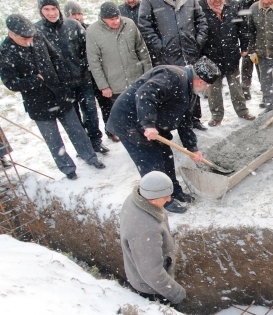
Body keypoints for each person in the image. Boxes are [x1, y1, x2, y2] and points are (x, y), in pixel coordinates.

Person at [106, 58, 220, 214]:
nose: (206, 89)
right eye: (207, 86)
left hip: (154, 126)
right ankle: (162, 199)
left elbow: (185, 120)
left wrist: (192, 147)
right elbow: (145, 94)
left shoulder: (189, 91)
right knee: (152, 162)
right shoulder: (172, 76)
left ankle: (174, 190)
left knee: (166, 156)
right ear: (200, 81)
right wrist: (148, 124)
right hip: (129, 123)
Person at [0, 14, 105, 180]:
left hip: (60, 94)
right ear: (11, 34)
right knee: (53, 139)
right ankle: (67, 168)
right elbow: (11, 83)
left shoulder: (38, 36)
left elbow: (55, 57)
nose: (29, 40)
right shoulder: (5, 52)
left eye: (30, 36)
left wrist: (61, 79)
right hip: (37, 103)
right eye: (24, 38)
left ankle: (90, 156)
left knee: (76, 130)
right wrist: (36, 79)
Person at [35, 0, 110, 154]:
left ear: (58, 9)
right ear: (41, 11)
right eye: (46, 9)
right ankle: (84, 147)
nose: (51, 13)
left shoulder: (73, 25)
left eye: (53, 8)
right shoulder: (37, 30)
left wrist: (82, 66)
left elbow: (87, 49)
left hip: (83, 79)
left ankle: (96, 141)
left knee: (90, 112)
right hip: (61, 85)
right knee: (73, 119)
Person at [139, 0, 209, 131]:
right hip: (168, 54)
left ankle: (195, 118)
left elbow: (201, 20)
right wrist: (160, 46)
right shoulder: (150, 2)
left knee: (193, 84)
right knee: (173, 89)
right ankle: (174, 122)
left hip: (189, 50)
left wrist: (198, 41)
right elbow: (145, 25)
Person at [120, 171, 186, 305]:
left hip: (144, 275)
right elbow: (152, 274)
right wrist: (177, 294)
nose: (169, 200)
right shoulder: (146, 230)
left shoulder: (138, 198)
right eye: (165, 196)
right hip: (152, 289)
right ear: (152, 198)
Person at [86, 3, 152, 128]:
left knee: (144, 113)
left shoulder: (129, 24)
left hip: (137, 79)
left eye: (117, 17)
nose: (116, 21)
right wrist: (104, 86)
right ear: (103, 18)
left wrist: (148, 74)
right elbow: (94, 62)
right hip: (115, 85)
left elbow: (142, 51)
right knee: (127, 118)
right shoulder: (93, 32)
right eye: (111, 19)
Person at [200, 0, 255, 127]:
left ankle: (242, 111)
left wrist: (245, 46)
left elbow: (242, 27)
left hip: (231, 53)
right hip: (210, 55)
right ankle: (216, 115)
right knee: (213, 88)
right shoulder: (200, 8)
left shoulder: (232, 5)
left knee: (235, 85)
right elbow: (197, 31)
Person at [239, 0, 260, 101]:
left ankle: (266, 92)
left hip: (260, 40)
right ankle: (245, 89)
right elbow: (241, 24)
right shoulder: (243, 4)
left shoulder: (260, 5)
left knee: (261, 68)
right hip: (247, 39)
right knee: (246, 66)